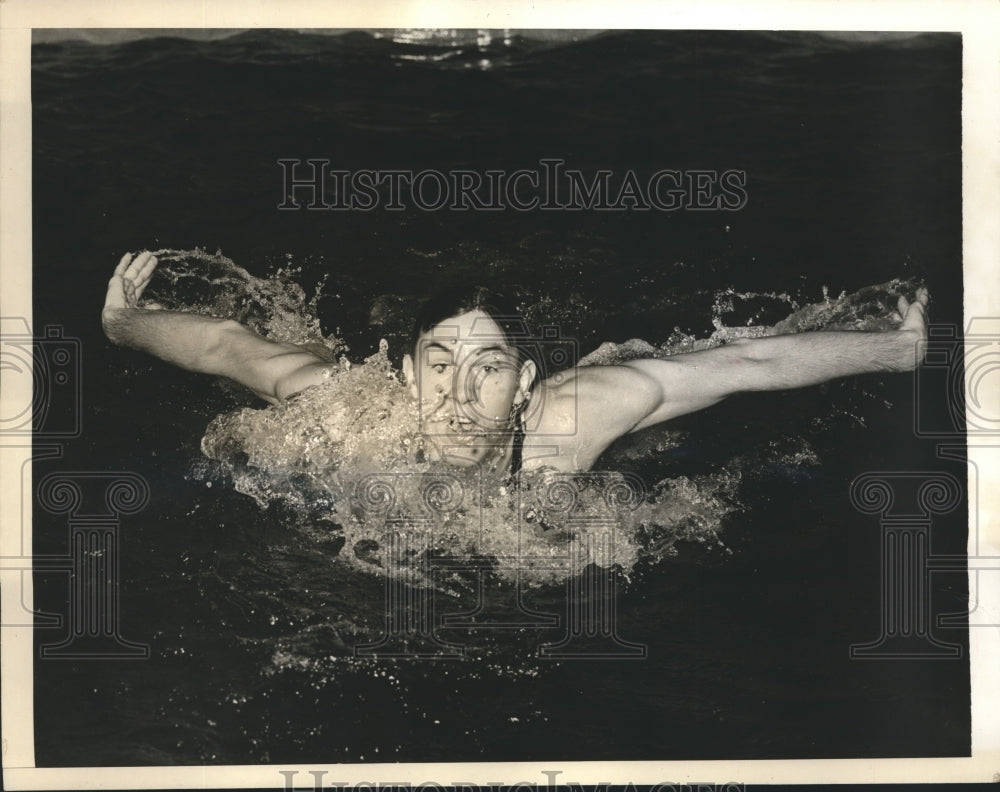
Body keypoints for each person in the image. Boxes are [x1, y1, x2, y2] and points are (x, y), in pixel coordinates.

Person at [102, 251, 930, 475]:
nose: (459, 395)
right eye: (438, 366)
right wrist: (123, 323)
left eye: (489, 367)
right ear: (402, 374)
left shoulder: (574, 418)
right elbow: (222, 346)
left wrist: (898, 350)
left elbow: (743, 362)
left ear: (526, 382)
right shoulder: (348, 407)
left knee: (666, 378)